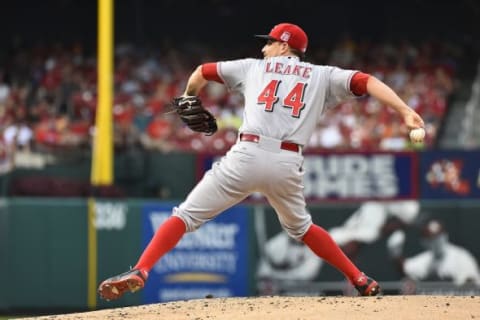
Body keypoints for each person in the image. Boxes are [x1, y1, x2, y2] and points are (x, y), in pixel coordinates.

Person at [98, 22, 425, 300]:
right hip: (287, 162)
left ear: (284, 46)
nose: (265, 47)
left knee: (184, 216)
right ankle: (359, 279)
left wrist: (189, 96)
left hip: (247, 155)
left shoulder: (252, 67)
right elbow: (366, 81)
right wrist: (406, 111)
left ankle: (142, 269)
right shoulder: (323, 75)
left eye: (269, 42)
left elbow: (200, 72)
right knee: (303, 228)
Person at [387, 219, 480, 286]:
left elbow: (471, 285)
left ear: (445, 235)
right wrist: (395, 253)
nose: (436, 241)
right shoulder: (428, 259)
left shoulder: (461, 257)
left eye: (439, 236)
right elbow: (405, 269)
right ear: (425, 242)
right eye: (432, 238)